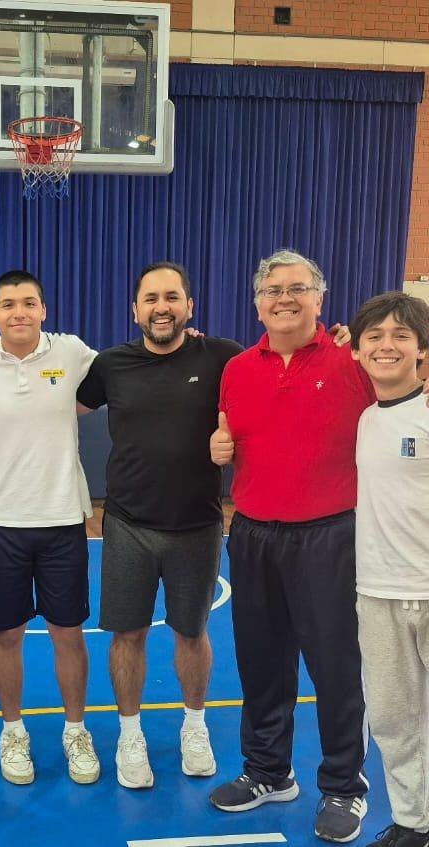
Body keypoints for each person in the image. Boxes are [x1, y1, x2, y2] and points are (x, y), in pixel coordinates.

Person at [209, 250, 377, 844]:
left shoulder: (353, 361)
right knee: (261, 663)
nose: (284, 298)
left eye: (297, 288)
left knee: (336, 667)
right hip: (253, 533)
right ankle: (267, 772)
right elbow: (229, 432)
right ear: (257, 304)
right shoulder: (237, 369)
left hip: (330, 536)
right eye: (273, 290)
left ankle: (344, 785)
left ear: (319, 299)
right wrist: (219, 447)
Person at [76, 262, 243, 789]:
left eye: (172, 297)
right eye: (151, 298)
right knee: (127, 635)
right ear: (135, 310)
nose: (161, 307)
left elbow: (275, 379)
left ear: (189, 306)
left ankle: (195, 726)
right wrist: (0, 357)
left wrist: (337, 344)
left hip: (197, 524)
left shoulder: (223, 357)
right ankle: (130, 735)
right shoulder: (111, 364)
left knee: (192, 632)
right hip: (129, 523)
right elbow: (48, 400)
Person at [0, 270, 100, 786]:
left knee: (69, 633)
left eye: (28, 303)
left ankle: (76, 731)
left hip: (62, 518)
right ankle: (13, 732)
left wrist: (190, 341)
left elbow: (135, 366)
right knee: (7, 635)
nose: (18, 312)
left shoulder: (72, 353)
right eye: (7, 304)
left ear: (43, 309)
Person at [349, 292, 429, 847]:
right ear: (356, 351)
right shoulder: (365, 419)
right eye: (374, 336)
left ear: (421, 349)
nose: (386, 345)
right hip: (377, 591)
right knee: (393, 720)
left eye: (401, 335)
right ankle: (413, 822)